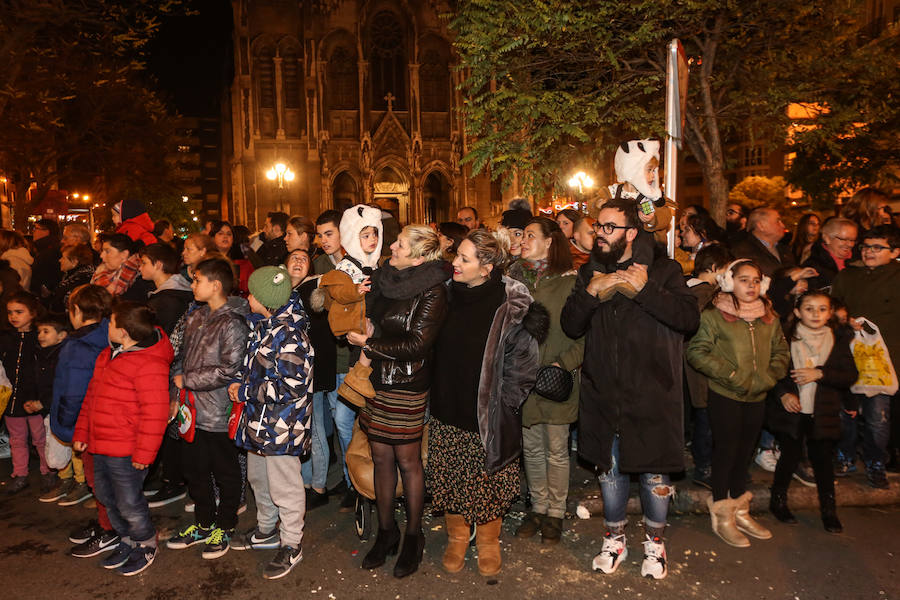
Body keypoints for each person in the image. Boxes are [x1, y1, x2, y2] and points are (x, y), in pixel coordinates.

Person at [561, 198, 699, 579]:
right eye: (598, 227)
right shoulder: (589, 270)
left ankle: (655, 546)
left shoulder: (665, 270)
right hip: (604, 391)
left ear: (631, 233)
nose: (599, 234)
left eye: (608, 228)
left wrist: (645, 291)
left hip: (652, 391)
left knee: (655, 473)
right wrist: (593, 291)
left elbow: (689, 319)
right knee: (610, 468)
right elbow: (571, 325)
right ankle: (614, 539)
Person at [428, 229, 544, 577]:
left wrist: (504, 405)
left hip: (486, 415)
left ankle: (489, 541)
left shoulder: (510, 306)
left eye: (464, 259)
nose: (455, 264)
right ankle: (458, 536)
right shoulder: (444, 296)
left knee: (487, 482)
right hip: (447, 406)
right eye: (456, 256)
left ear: (487, 266)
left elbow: (524, 364)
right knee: (451, 478)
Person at [348, 225, 449, 578]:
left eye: (401, 244)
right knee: (380, 456)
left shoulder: (434, 290)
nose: (392, 245)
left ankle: (412, 535)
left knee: (408, 461)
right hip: (377, 380)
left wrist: (368, 345)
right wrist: (361, 311)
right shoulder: (385, 277)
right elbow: (374, 320)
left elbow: (417, 345)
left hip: (407, 382)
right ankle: (386, 532)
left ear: (419, 256)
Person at [686, 259, 790, 548]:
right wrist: (731, 374)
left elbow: (781, 350)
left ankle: (740, 507)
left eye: (756, 280)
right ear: (730, 281)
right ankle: (721, 511)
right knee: (726, 451)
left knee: (745, 453)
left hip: (758, 395)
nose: (751, 285)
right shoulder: (715, 314)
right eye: (744, 279)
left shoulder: (769, 315)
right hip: (726, 394)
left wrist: (770, 376)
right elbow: (697, 351)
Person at [72, 301, 173, 576]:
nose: (107, 327)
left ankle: (145, 542)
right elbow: (91, 399)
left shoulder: (149, 364)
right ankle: (126, 538)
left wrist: (144, 454)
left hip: (127, 449)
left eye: (111, 323)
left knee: (129, 502)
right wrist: (82, 433)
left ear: (124, 332)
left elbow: (155, 414)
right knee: (105, 495)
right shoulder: (108, 355)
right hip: (100, 443)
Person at [231, 266, 314, 579]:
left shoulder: (291, 336)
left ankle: (291, 542)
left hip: (282, 427)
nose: (247, 297)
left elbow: (291, 388)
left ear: (266, 301)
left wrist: (246, 391)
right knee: (259, 479)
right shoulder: (264, 325)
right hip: (259, 421)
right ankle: (266, 528)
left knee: (285, 487)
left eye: (252, 293)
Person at [167, 257, 250, 558]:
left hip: (217, 412)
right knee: (195, 470)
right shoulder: (196, 316)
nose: (192, 285)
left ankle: (225, 525)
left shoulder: (233, 322)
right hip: (191, 411)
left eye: (197, 280)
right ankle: (203, 523)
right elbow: (181, 357)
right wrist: (176, 393)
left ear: (215, 285)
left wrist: (186, 379)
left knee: (225, 472)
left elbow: (229, 369)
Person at [508, 217, 583, 545]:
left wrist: (563, 364)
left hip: (556, 378)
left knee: (556, 448)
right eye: (522, 235)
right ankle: (537, 508)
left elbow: (586, 334)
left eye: (530, 235)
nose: (523, 240)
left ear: (550, 241)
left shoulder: (570, 282)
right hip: (523, 379)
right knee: (531, 448)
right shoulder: (515, 278)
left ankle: (555, 512)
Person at [767, 291, 858, 533]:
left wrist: (820, 373)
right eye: (809, 308)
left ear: (830, 313)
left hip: (824, 410)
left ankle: (829, 510)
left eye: (822, 309)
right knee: (789, 457)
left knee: (823, 463)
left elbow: (850, 375)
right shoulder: (786, 338)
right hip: (793, 411)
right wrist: (783, 394)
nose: (816, 314)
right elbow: (773, 371)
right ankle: (778, 502)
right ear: (797, 312)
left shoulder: (838, 339)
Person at [830, 225, 900, 488]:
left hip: (885, 362)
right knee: (846, 413)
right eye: (866, 246)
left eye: (877, 247)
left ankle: (875, 463)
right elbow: (832, 307)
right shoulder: (849, 275)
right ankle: (845, 456)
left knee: (877, 417)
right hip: (849, 356)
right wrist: (843, 319)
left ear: (895, 252)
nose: (869, 252)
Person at [49, 285, 113, 517]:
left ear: (75, 310)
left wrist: (67, 425)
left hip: (85, 424)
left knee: (98, 479)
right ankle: (110, 524)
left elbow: (73, 392)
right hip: (109, 420)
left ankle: (110, 528)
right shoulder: (111, 334)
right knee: (109, 478)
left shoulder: (76, 347)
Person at [310, 209, 359, 510]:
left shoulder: (357, 262)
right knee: (335, 422)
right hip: (327, 358)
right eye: (320, 234)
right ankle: (347, 478)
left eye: (329, 233)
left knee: (346, 423)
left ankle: (356, 481)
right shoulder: (318, 265)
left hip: (350, 357)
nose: (323, 240)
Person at [684, 244, 734, 489]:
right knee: (706, 421)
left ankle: (705, 465)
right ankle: (704, 468)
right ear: (714, 269)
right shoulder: (706, 295)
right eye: (726, 270)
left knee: (704, 419)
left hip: (697, 367)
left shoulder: (689, 289)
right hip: (704, 369)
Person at [1, 291, 51, 494]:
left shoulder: (40, 337)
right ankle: (20, 474)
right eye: (10, 312)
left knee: (41, 438)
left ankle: (47, 471)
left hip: (35, 398)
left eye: (19, 312)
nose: (13, 316)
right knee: (16, 439)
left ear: (32, 313)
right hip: (12, 399)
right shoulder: (5, 338)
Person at [32, 313, 67, 501]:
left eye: (46, 331)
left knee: (66, 445)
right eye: (39, 331)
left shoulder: (62, 356)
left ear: (62, 336)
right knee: (54, 446)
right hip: (48, 408)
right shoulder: (41, 354)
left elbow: (60, 386)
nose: (40, 335)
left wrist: (44, 402)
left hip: (61, 407)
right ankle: (64, 479)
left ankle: (78, 482)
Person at [139, 243, 193, 335]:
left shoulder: (165, 300)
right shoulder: (177, 290)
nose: (140, 268)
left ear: (158, 265)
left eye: (144, 263)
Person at [802, 218, 858, 291]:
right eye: (843, 239)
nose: (849, 244)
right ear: (827, 238)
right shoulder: (813, 267)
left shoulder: (859, 262)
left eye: (852, 240)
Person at [90, 233, 143, 299]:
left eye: (107, 251)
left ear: (124, 254)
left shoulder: (139, 283)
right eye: (102, 251)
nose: (101, 255)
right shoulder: (100, 273)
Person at [209, 221, 253, 295]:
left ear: (233, 239)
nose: (225, 236)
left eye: (229, 234)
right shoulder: (207, 262)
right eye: (220, 233)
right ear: (213, 238)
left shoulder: (244, 263)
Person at [49, 243, 95, 314]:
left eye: (63, 258)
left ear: (74, 261)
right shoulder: (72, 276)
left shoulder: (81, 280)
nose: (60, 260)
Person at [30, 218, 62, 300]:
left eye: (36, 228)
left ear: (47, 231)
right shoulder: (43, 248)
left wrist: (45, 289)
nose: (33, 231)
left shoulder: (51, 251)